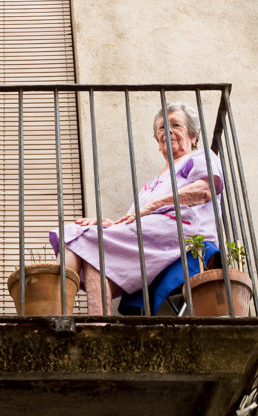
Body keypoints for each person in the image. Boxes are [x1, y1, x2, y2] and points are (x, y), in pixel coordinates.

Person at [49, 102, 223, 315]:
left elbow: (205, 190)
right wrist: (109, 224)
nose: (167, 131)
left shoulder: (199, 158)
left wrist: (154, 205)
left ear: (193, 137)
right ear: (158, 142)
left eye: (176, 125)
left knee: (91, 241)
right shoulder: (150, 187)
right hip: (154, 235)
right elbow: (133, 220)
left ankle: (53, 312)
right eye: (161, 128)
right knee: (85, 242)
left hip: (184, 233)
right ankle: (95, 322)